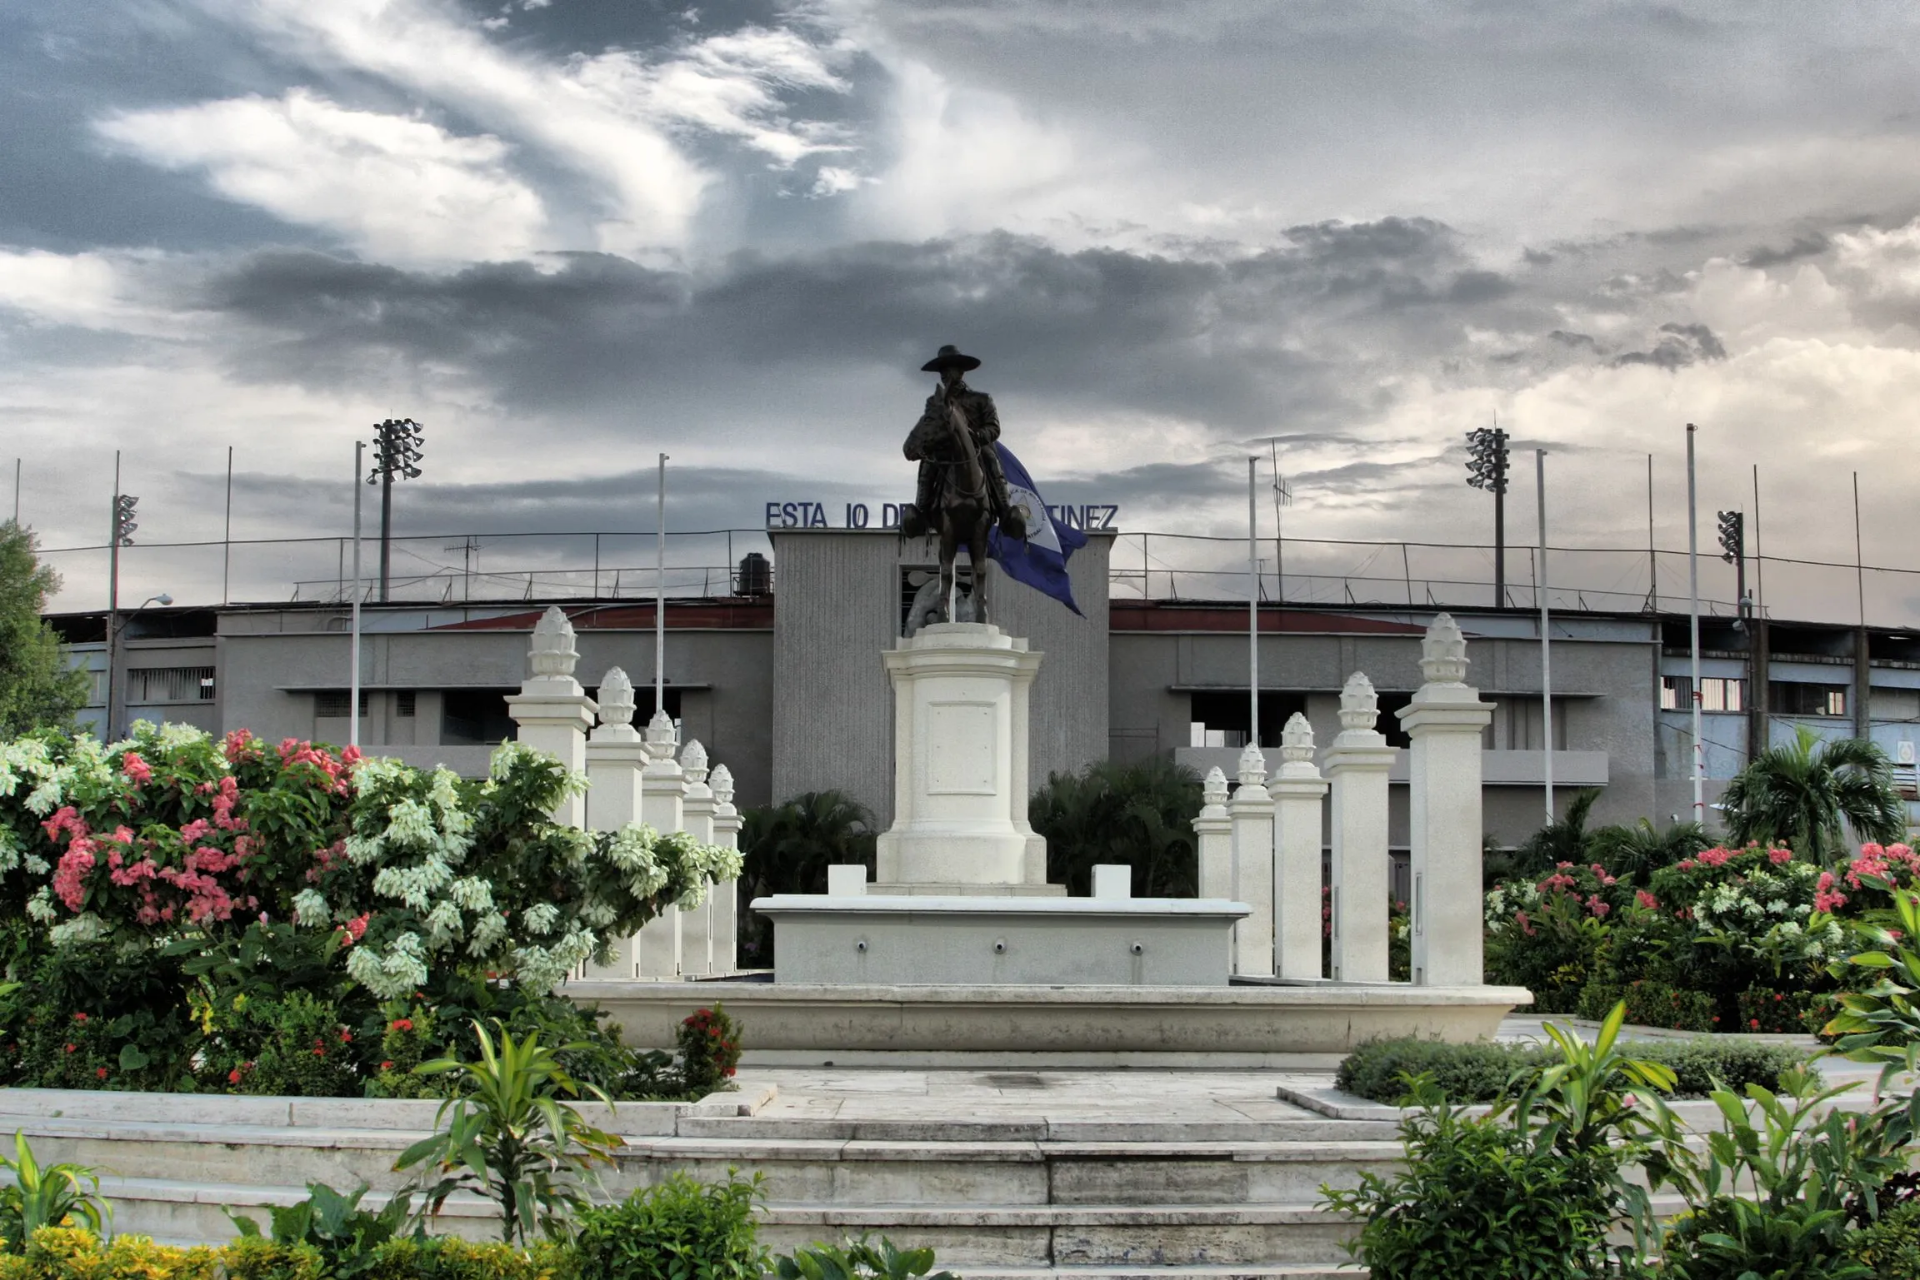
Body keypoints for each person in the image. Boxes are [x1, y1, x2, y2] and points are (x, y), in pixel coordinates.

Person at [901, 345, 1018, 538]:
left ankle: (1005, 511)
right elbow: (931, 426)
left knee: (991, 460)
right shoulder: (934, 402)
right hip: (944, 449)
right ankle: (921, 511)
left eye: (949, 370)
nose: (944, 375)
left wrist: (978, 436)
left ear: (961, 372)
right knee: (927, 466)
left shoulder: (981, 399)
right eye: (941, 372)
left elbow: (994, 427)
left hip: (977, 449)